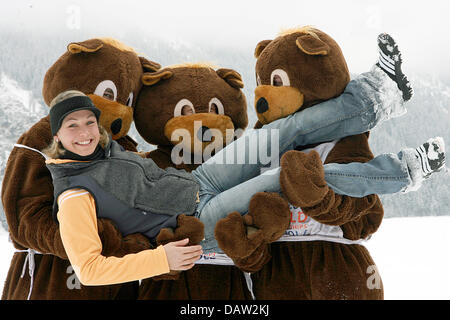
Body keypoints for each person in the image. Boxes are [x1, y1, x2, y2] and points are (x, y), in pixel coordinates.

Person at [41, 82, 445, 285]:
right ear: (57, 136)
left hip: (195, 183)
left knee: (275, 134)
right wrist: (160, 261)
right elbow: (90, 270)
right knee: (285, 178)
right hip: (195, 226)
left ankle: (377, 97)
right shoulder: (74, 195)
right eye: (72, 127)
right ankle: (405, 170)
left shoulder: (104, 151)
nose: (85, 132)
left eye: (89, 122)